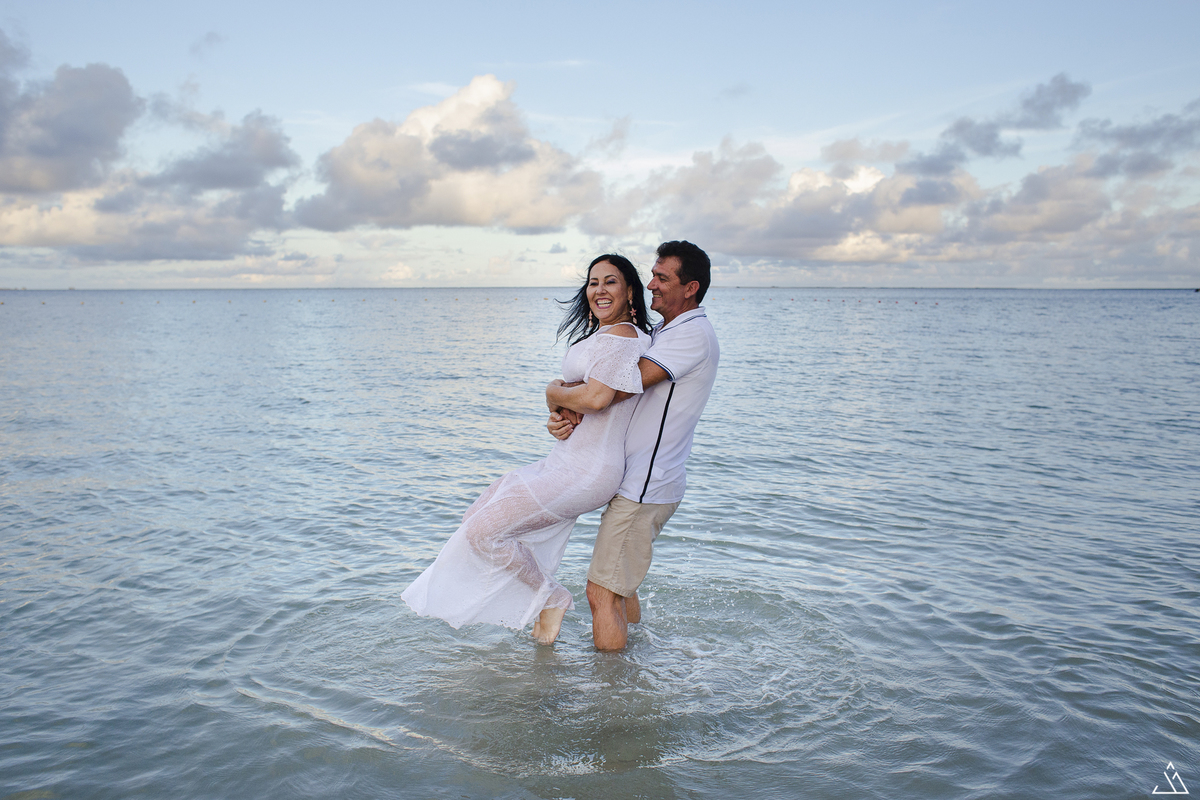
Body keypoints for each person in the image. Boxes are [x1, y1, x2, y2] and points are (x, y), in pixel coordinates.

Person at [401, 255, 653, 645]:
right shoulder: (604, 338)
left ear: (630, 291)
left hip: (587, 470)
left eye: (610, 282)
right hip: (566, 460)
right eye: (593, 282)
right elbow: (582, 398)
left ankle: (551, 597)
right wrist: (558, 411)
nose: (599, 290)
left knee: (484, 533)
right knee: (479, 516)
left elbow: (599, 398)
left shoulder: (623, 337)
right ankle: (547, 600)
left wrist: (552, 392)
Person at [547, 240, 719, 651]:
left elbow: (609, 392)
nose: (652, 284)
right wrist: (570, 406)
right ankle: (636, 658)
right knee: (619, 589)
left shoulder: (691, 335)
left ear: (690, 287)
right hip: (640, 481)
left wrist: (554, 392)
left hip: (646, 484)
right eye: (653, 275)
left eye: (662, 277)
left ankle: (613, 698)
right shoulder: (664, 331)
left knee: (600, 593)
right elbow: (600, 392)